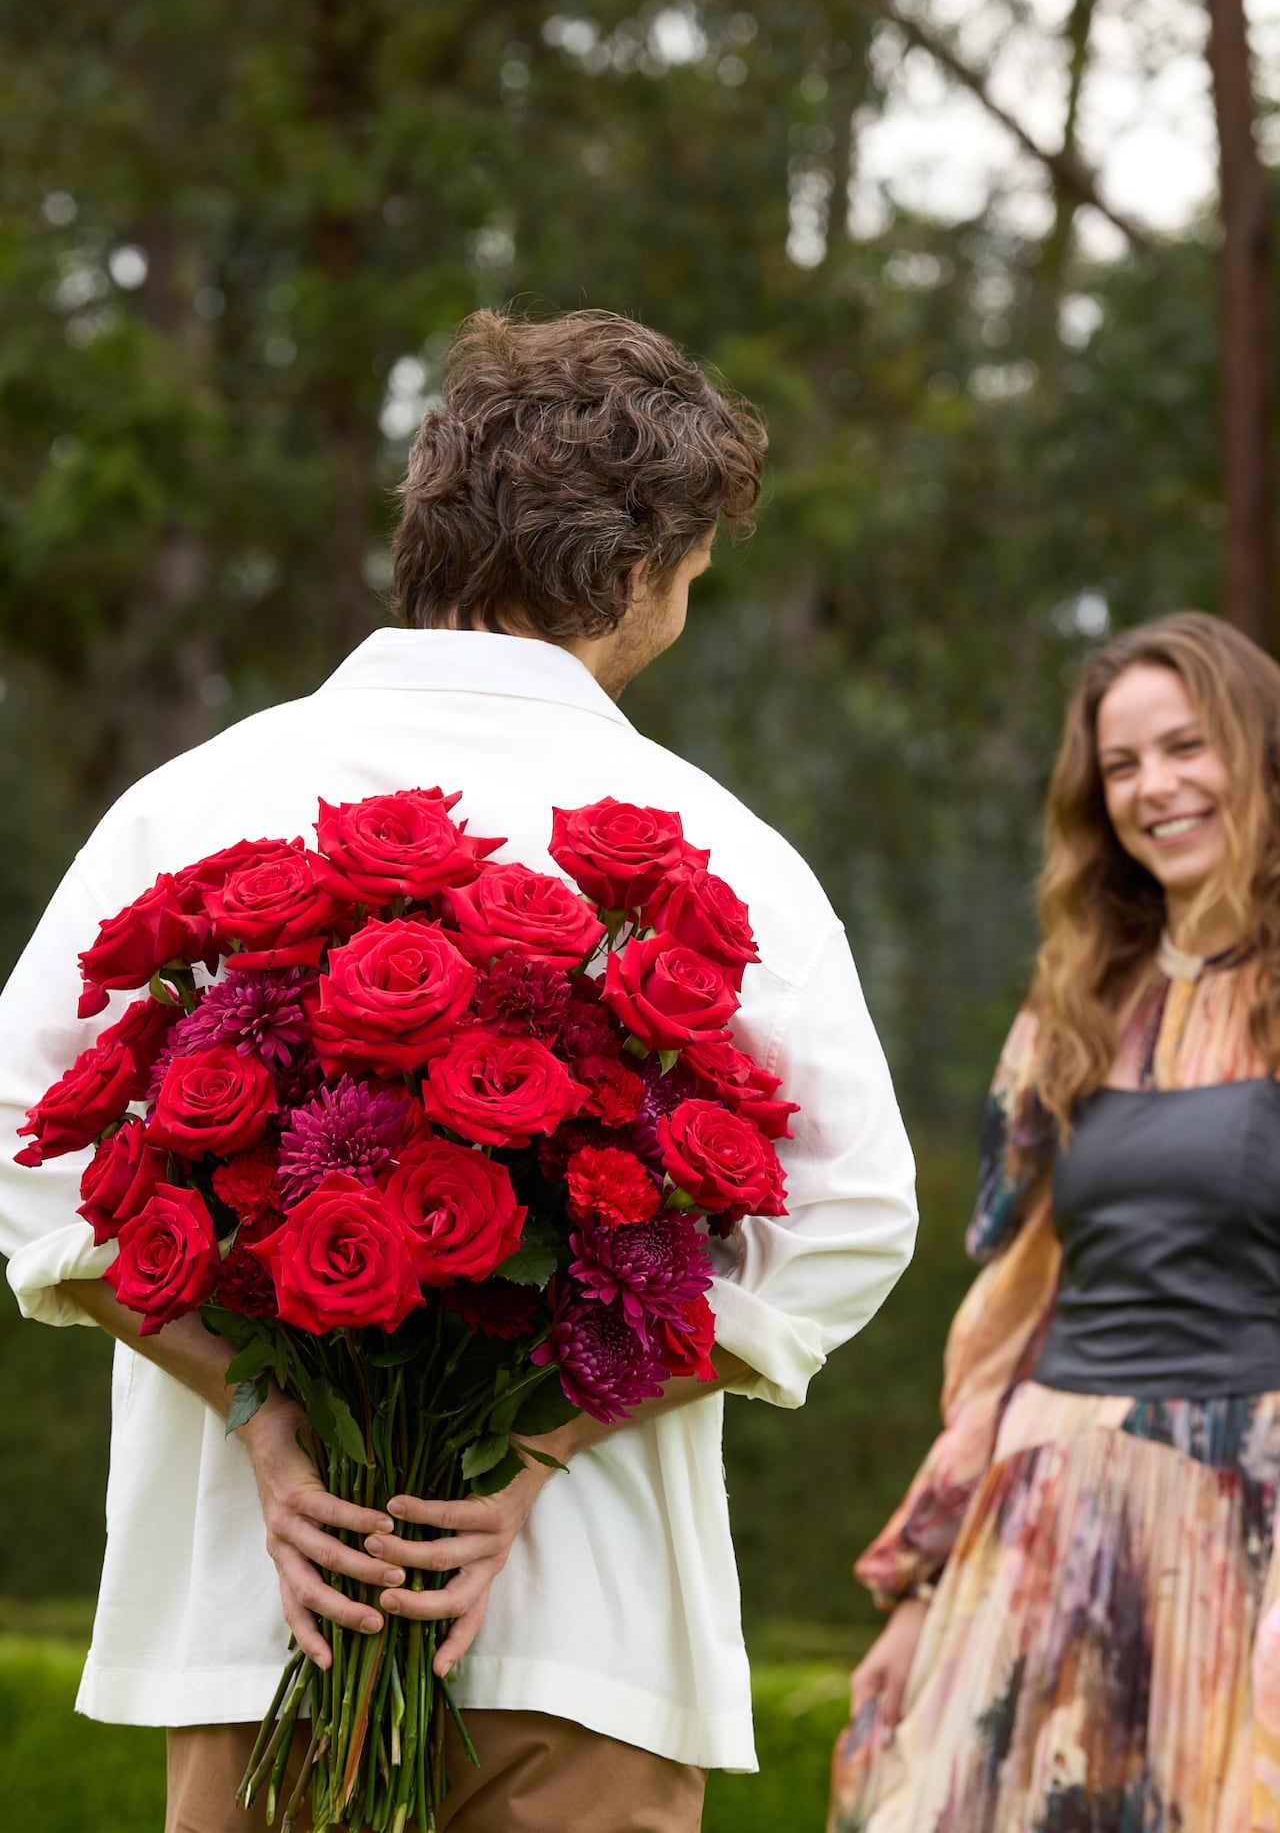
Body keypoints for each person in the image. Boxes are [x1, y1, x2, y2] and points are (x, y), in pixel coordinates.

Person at [0, 307, 917, 1833]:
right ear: (633, 568)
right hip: (584, 1635)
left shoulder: (193, 800)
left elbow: (21, 1143)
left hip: (259, 1617)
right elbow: (851, 1212)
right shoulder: (716, 843)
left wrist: (261, 1423)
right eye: (691, 575)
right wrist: (548, 1440)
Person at [829, 609, 1280, 1833]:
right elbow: (1012, 1321)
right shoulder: (1071, 1003)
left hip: (1245, 1529)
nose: (1153, 788)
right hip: (1044, 1519)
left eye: (1186, 746)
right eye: (1120, 765)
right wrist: (918, 1587)